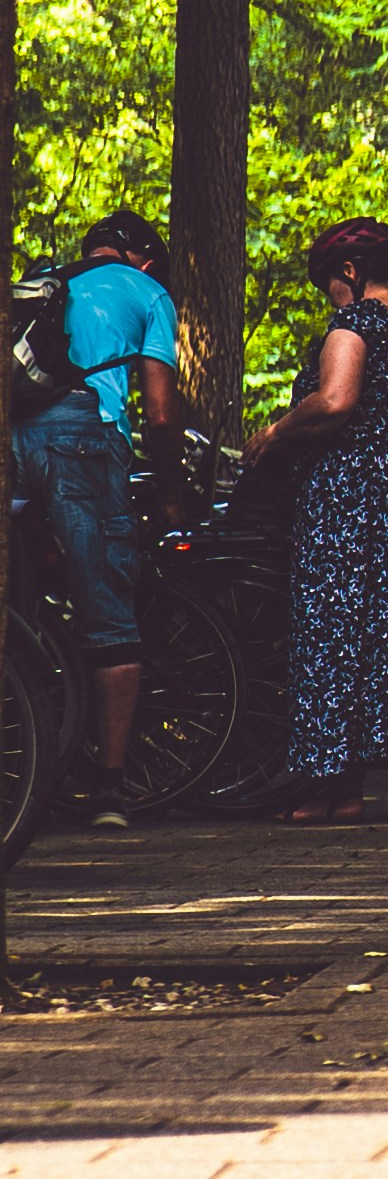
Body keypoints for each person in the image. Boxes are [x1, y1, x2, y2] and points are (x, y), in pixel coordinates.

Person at [243, 218, 388, 825]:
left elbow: (337, 401)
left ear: (350, 272)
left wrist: (275, 432)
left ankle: (339, 793)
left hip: (354, 505)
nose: (330, 302)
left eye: (329, 287)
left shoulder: (357, 324)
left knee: (339, 632)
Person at [17, 213, 191, 815]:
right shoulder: (148, 292)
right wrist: (171, 494)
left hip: (12, 437)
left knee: (21, 599)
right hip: (83, 437)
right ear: (143, 258)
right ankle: (110, 788)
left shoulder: (44, 279)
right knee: (107, 606)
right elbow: (161, 415)